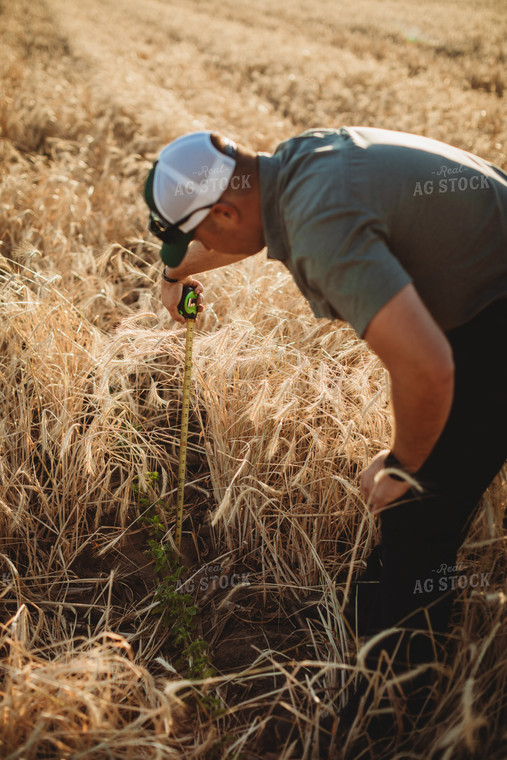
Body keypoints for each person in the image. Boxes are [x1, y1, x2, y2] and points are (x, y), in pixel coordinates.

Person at [143, 127, 507, 727]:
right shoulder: (292, 168)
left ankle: (390, 717)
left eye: (200, 229)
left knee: (418, 509)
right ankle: (378, 630)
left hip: (491, 323)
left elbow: (426, 365)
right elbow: (239, 233)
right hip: (482, 301)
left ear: (228, 209)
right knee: (409, 518)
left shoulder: (320, 224)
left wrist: (403, 462)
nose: (202, 244)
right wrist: (173, 276)